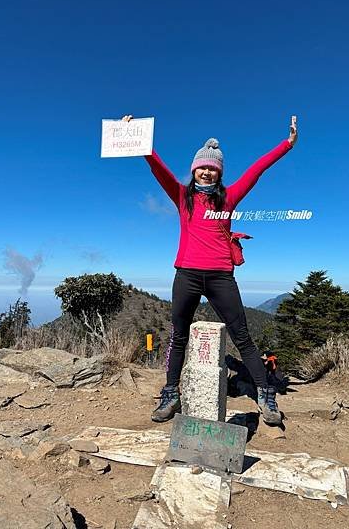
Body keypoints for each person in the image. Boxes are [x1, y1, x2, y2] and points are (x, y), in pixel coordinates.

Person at [123, 114, 298, 425]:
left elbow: (257, 170)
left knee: (242, 336)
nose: (206, 171)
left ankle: (264, 393)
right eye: (202, 167)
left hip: (220, 275)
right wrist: (140, 142)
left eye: (212, 168)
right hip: (187, 275)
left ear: (219, 173)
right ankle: (170, 392)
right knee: (179, 336)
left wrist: (286, 145)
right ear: (194, 171)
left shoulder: (229, 198)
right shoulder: (183, 197)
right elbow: (158, 170)